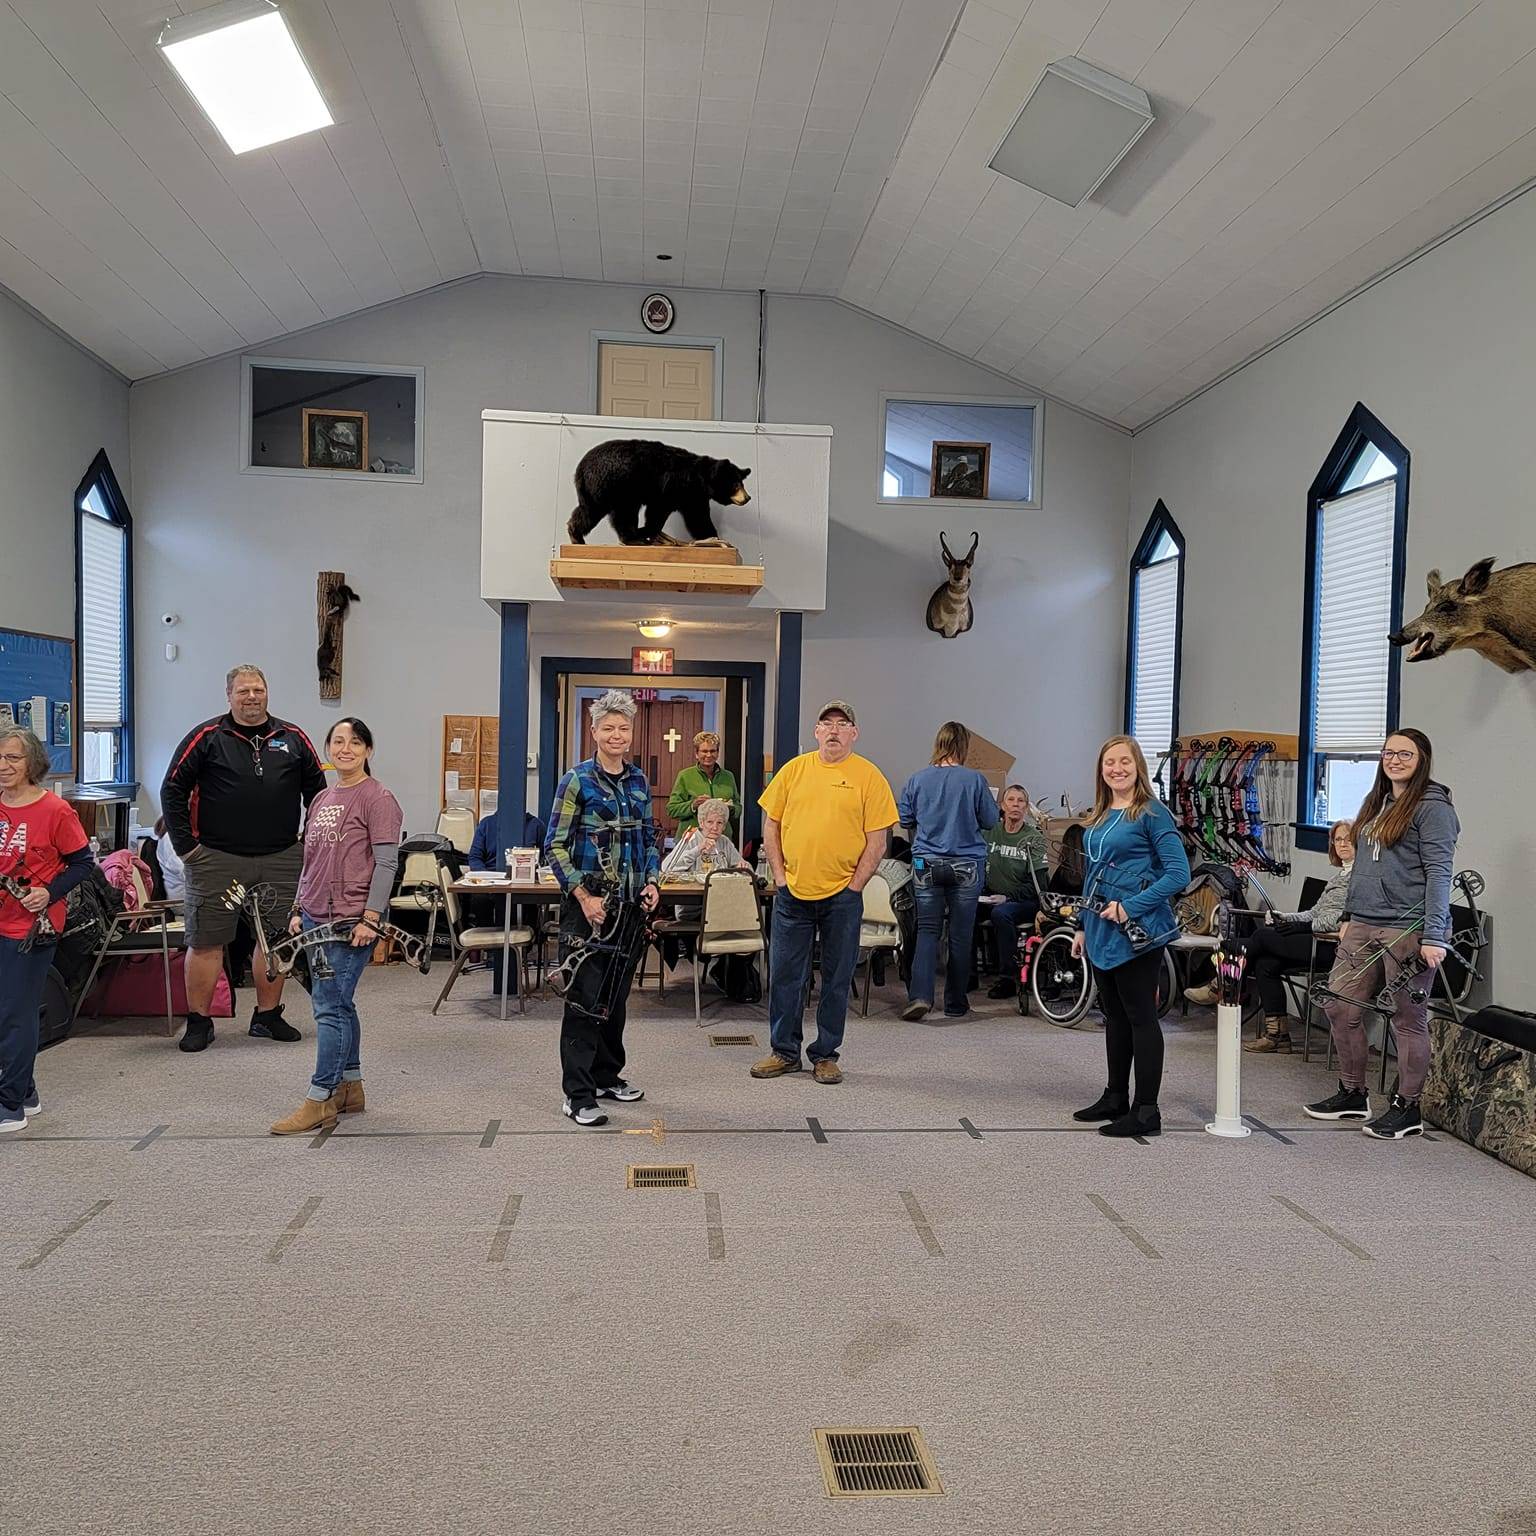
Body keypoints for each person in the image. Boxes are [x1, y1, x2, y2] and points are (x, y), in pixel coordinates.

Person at [162, 666, 326, 1052]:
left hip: (281, 857)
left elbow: (317, 793)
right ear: (229, 696)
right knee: (206, 942)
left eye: (258, 689)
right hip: (216, 858)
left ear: (268, 692)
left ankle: (267, 1017)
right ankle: (199, 1022)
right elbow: (172, 790)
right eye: (243, 691)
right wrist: (188, 848)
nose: (251, 697)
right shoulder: (206, 737)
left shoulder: (292, 737)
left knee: (276, 941)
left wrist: (307, 844)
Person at [1305, 729, 1459, 1139]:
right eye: (1389, 752)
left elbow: (1440, 873)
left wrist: (1434, 935)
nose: (1394, 759)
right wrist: (1349, 913)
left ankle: (1407, 1108)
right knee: (1340, 1007)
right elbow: (1362, 867)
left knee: (1407, 1020)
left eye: (1405, 753)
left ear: (1423, 758)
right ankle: (1353, 1092)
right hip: (1363, 923)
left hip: (1407, 927)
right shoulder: (1377, 802)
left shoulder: (1433, 808)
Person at [751, 700, 898, 1084]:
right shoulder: (793, 771)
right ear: (816, 732)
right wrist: (780, 878)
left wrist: (854, 887)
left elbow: (878, 841)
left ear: (854, 733)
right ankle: (784, 1052)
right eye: (826, 723)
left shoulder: (869, 777)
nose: (834, 729)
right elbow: (771, 826)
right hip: (793, 896)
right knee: (786, 975)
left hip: (842, 899)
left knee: (836, 977)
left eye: (842, 723)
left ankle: (825, 1054)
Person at [270, 720, 403, 1135]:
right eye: (339, 742)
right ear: (329, 748)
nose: (346, 749)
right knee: (340, 1004)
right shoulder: (322, 799)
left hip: (350, 921)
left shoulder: (378, 798)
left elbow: (386, 863)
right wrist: (296, 907)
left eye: (356, 742)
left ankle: (320, 1097)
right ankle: (351, 1086)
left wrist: (372, 917)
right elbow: (309, 859)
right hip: (313, 914)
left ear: (368, 749)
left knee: (328, 1007)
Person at [544, 689, 661, 1126]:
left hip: (630, 908)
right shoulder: (576, 780)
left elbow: (649, 838)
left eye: (623, 728)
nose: (616, 734)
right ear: (593, 732)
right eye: (608, 727)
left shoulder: (638, 781)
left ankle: (607, 1076)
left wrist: (652, 880)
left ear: (632, 734)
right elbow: (554, 846)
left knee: (615, 996)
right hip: (589, 908)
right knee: (584, 999)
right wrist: (583, 896)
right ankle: (577, 1093)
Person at [1070, 735, 1191, 1139]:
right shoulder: (1101, 816)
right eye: (1109, 763)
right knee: (1114, 1017)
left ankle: (1146, 1110)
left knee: (1141, 1018)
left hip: (1139, 932)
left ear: (1137, 765)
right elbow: (1093, 873)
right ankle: (1115, 1096)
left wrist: (1130, 906)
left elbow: (1178, 875)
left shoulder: (1152, 814)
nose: (1117, 769)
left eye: (1124, 761)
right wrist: (1082, 926)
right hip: (1101, 930)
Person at [1182, 820, 1354, 1051]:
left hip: (1330, 946)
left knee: (1258, 938)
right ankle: (1277, 1036)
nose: (1343, 844)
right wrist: (1286, 917)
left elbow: (1343, 918)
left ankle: (1221, 984)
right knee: (1265, 963)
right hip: (1314, 936)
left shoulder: (1360, 880)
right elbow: (1315, 912)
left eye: (1349, 839)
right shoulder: (1339, 876)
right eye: (1338, 839)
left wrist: (1306, 927)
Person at [0, 727, 94, 1133]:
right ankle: (26, 1092)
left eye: (13, 758)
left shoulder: (55, 811)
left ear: (32, 762)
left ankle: (9, 1104)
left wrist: (47, 892)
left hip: (31, 926)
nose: (4, 766)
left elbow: (83, 864)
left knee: (14, 1013)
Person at [895, 722, 999, 1022]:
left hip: (924, 863)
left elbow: (905, 819)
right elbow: (991, 821)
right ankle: (955, 1002)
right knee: (960, 935)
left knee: (927, 931)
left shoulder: (916, 780)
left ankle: (920, 997)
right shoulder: (975, 780)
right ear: (963, 746)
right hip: (966, 864)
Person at [981, 784, 1048, 999]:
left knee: (1001, 914)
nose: (1015, 805)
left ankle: (1008, 979)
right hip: (991, 896)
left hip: (1023, 901)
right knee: (963, 908)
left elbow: (1039, 886)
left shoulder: (1033, 838)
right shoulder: (990, 833)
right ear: (1002, 805)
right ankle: (967, 976)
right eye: (1011, 800)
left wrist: (1008, 897)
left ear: (1026, 808)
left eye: (1020, 801)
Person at [666, 731, 741, 837]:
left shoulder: (728, 777)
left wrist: (729, 808)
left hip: (721, 840)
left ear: (717, 753)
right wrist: (693, 805)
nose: (709, 755)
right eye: (704, 751)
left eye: (712, 751)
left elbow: (738, 808)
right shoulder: (685, 776)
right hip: (692, 841)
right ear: (697, 754)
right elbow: (671, 810)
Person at [659, 796, 746, 880]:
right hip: (693, 891)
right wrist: (698, 849)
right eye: (710, 822)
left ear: (724, 826)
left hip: (719, 890)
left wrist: (742, 867)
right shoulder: (691, 838)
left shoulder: (724, 841)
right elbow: (666, 867)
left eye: (719, 823)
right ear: (701, 823)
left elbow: (743, 867)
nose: (715, 827)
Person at [468, 808, 547, 872]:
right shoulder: (486, 824)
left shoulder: (536, 825)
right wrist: (485, 877)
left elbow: (545, 856)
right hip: (490, 878)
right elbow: (475, 857)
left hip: (526, 877)